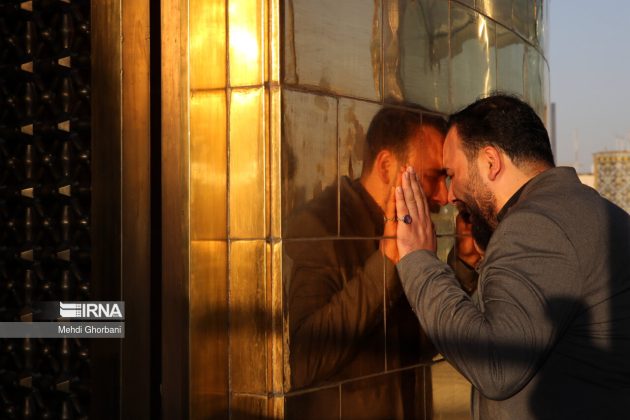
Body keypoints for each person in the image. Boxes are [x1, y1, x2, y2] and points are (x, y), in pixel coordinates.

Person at [393, 94, 630, 419]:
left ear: (491, 162)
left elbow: (496, 363)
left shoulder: (537, 225)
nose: (450, 194)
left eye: (453, 173)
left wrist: (419, 260)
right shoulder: (586, 211)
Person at [285, 107, 448, 418]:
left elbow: (420, 346)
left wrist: (464, 268)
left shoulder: (408, 228)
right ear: (387, 166)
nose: (444, 195)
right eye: (433, 177)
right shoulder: (321, 226)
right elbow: (301, 361)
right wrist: (386, 263)